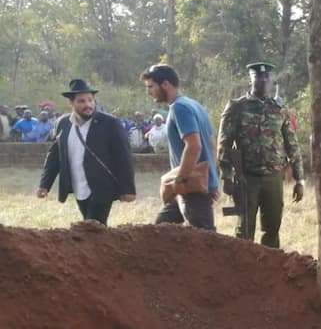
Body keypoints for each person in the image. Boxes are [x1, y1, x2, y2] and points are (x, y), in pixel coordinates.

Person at [217, 62, 304, 248]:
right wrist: (227, 176)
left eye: (266, 77)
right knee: (244, 230)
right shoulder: (237, 107)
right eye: (257, 76)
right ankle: (242, 271)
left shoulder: (279, 109)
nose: (262, 80)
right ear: (251, 78)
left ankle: (269, 271)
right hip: (247, 178)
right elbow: (224, 143)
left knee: (272, 229)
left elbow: (292, 145)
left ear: (271, 79)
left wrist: (299, 180)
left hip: (273, 178)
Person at [37, 79, 136, 225]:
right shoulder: (62, 123)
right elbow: (55, 156)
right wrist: (45, 184)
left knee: (92, 227)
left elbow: (124, 157)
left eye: (90, 100)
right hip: (78, 187)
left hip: (102, 187)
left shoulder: (109, 123)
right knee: (92, 227)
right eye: (81, 101)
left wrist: (128, 189)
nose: (88, 105)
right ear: (71, 103)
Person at [141, 64, 219, 230]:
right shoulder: (196, 105)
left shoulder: (179, 108)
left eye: (151, 87)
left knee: (204, 242)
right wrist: (212, 181)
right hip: (192, 185)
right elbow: (212, 146)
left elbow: (194, 146)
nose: (148, 92)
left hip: (190, 187)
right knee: (159, 231)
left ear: (165, 84)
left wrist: (180, 179)